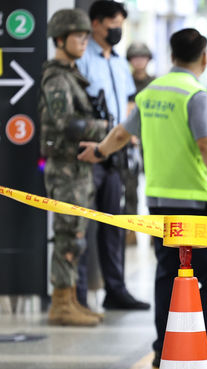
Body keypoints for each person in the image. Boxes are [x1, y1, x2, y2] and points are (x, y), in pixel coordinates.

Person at [78, 28, 207, 369]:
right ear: (204, 56)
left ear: (172, 54)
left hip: (160, 202)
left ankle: (164, 346)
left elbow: (122, 132)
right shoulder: (195, 94)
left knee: (169, 272)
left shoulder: (151, 92)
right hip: (195, 204)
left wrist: (99, 151)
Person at [76, 0, 149, 310]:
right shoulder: (83, 59)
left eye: (120, 24)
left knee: (114, 224)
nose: (117, 30)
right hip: (89, 151)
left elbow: (128, 103)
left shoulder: (120, 63)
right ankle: (77, 296)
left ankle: (115, 290)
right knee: (80, 225)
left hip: (117, 154)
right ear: (96, 24)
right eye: (112, 24)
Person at [39, 9, 109, 327]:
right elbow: (65, 123)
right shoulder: (56, 78)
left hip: (77, 170)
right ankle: (61, 304)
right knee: (68, 235)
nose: (83, 41)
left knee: (76, 235)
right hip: (66, 169)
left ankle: (70, 300)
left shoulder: (71, 74)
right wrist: (104, 127)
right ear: (60, 39)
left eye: (85, 36)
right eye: (77, 36)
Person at [124, 41, 155, 246]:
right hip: (130, 141)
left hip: (152, 139)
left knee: (153, 186)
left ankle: (155, 231)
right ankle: (131, 231)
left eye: (142, 57)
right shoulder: (125, 82)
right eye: (135, 58)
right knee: (129, 187)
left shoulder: (154, 83)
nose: (138, 62)